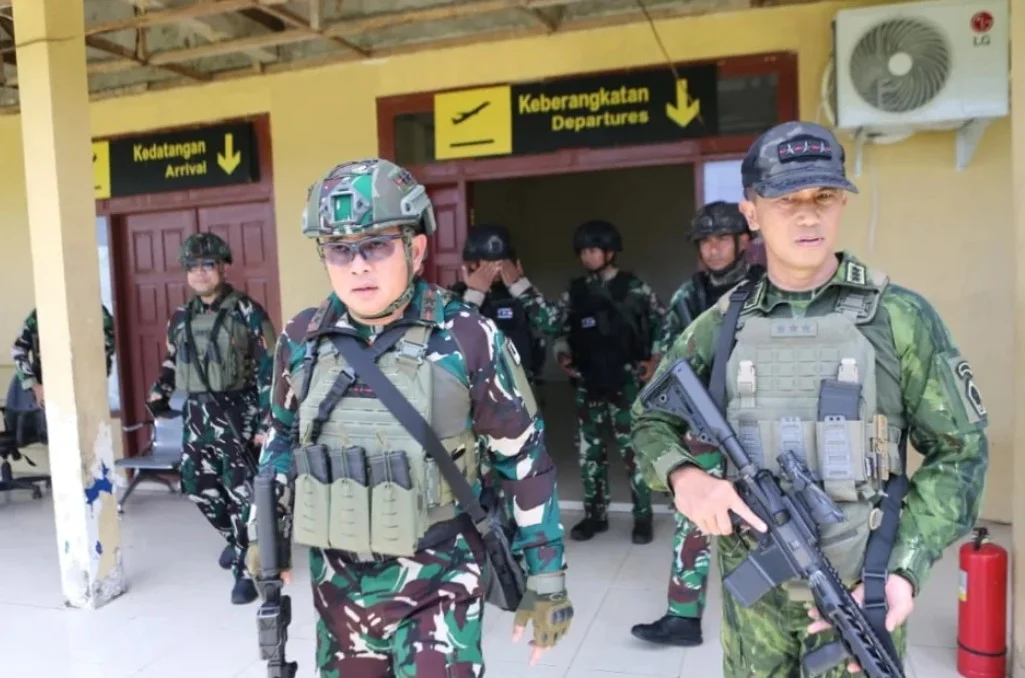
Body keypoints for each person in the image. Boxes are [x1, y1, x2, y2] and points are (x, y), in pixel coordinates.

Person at [631, 121, 988, 676]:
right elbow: (650, 418)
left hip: (860, 589)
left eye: (823, 196)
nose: (807, 214)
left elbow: (960, 452)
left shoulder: (898, 318)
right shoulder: (720, 325)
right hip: (756, 605)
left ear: (842, 201)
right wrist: (685, 477)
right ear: (752, 212)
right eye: (785, 199)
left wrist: (904, 567)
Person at [246, 158, 573, 677]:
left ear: (416, 249)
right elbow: (282, 437)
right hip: (338, 584)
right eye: (339, 249)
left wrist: (547, 577)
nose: (357, 266)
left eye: (376, 245)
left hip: (439, 576)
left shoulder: (468, 337)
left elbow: (525, 461)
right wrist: (264, 533)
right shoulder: (301, 337)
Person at [632, 200, 760, 647]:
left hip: (757, 420)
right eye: (706, 241)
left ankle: (775, 616)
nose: (714, 249)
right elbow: (672, 360)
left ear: (743, 242)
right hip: (704, 423)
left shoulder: (763, 289)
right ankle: (683, 617)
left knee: (766, 517)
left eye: (722, 238)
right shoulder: (689, 297)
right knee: (693, 518)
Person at [513, 219, 665, 544]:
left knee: (634, 453)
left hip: (627, 383)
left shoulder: (634, 288)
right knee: (590, 454)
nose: (587, 257)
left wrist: (655, 358)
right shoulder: (576, 292)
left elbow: (663, 322)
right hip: (589, 384)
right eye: (583, 251)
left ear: (610, 252)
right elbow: (555, 325)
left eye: (593, 250)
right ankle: (595, 516)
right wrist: (562, 351)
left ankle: (643, 518)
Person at [147, 232, 275, 605]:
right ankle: (237, 541)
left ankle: (246, 570)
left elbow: (271, 371)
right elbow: (174, 359)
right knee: (197, 487)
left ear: (222, 267)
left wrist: (265, 423)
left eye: (208, 264)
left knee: (242, 495)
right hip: (198, 415)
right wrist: (161, 388)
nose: (200, 273)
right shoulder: (181, 317)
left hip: (239, 412)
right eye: (193, 266)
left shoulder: (248, 312)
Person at [451, 223, 547, 386]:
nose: (495, 268)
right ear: (473, 264)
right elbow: (451, 340)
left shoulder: (522, 294)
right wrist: (474, 294)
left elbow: (550, 325)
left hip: (521, 384)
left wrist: (521, 288)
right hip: (478, 387)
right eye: (487, 263)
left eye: (500, 262)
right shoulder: (458, 297)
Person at [12, 305, 116, 408]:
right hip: (48, 387)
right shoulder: (40, 315)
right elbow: (18, 350)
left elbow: (110, 344)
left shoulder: (92, 307)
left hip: (86, 387)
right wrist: (35, 387)